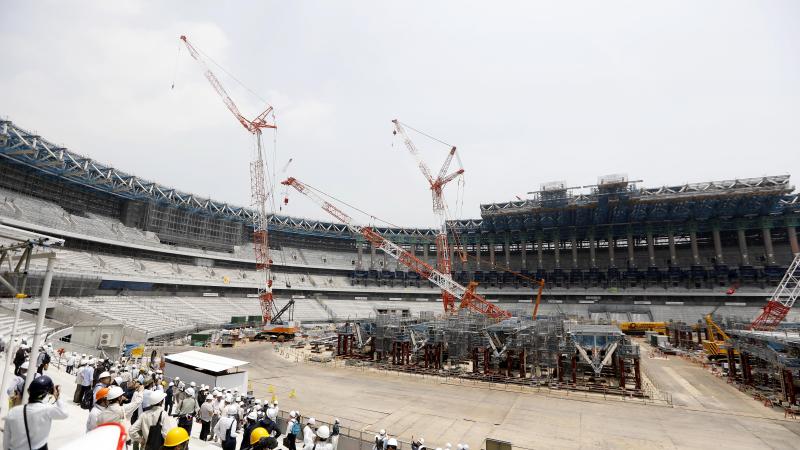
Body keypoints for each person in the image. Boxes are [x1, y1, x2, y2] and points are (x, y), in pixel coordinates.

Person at [2, 375, 68, 450]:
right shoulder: (47, 410)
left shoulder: (13, 412)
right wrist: (57, 396)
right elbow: (64, 413)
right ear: (45, 395)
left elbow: (6, 443)